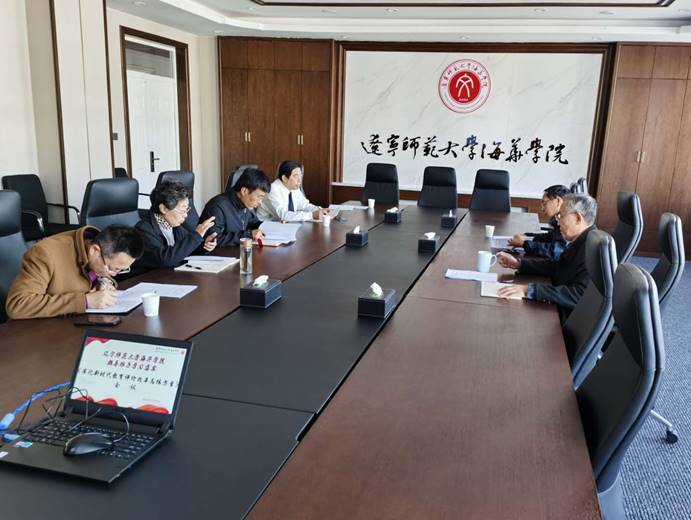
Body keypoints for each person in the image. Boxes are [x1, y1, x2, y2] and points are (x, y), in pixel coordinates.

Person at [5, 225, 144, 319]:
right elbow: (18, 305)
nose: (113, 275)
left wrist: (103, 283)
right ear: (94, 251)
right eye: (114, 269)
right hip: (38, 335)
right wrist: (85, 301)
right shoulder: (44, 254)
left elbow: (92, 275)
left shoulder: (97, 247)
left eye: (122, 270)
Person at [495, 194, 598, 318]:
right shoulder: (583, 240)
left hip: (568, 318)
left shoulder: (592, 248)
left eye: (561, 216)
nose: (558, 222)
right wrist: (519, 264)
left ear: (577, 218)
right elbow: (557, 266)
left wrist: (530, 290)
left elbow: (579, 295)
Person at [136, 181, 217, 269]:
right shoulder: (143, 230)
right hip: (151, 275)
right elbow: (165, 259)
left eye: (187, 210)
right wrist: (196, 235)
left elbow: (185, 250)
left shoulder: (175, 226)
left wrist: (204, 245)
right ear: (164, 209)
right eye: (182, 211)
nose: (186, 215)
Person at [200, 168, 271, 247]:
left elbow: (253, 223)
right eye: (259, 197)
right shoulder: (217, 206)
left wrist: (272, 227)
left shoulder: (244, 203)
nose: (260, 202)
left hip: (237, 251)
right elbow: (214, 239)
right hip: (220, 253)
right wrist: (248, 235)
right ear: (244, 191)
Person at [507, 184, 570, 260]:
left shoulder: (568, 223)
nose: (542, 208)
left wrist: (524, 244)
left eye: (544, 203)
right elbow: (550, 237)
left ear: (558, 201)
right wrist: (528, 237)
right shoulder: (561, 219)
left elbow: (554, 252)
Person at [257, 161, 329, 222]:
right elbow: (283, 215)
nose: (299, 180)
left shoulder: (294, 188)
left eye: (300, 176)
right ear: (284, 178)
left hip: (285, 225)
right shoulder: (272, 190)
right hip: (265, 227)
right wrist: (312, 215)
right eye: (296, 176)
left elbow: (304, 205)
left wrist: (320, 210)